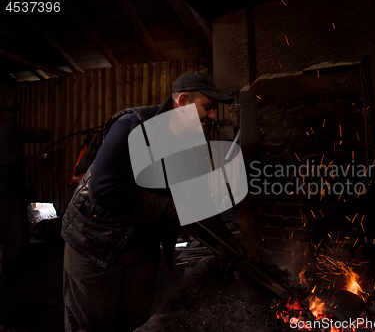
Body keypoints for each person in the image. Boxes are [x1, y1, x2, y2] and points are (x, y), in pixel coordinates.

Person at [61, 71, 243, 332]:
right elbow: (105, 188)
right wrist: (173, 210)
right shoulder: (133, 125)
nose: (213, 116)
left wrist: (227, 245)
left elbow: (193, 202)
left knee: (135, 324)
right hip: (95, 244)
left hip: (142, 249)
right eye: (208, 107)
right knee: (92, 325)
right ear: (182, 101)